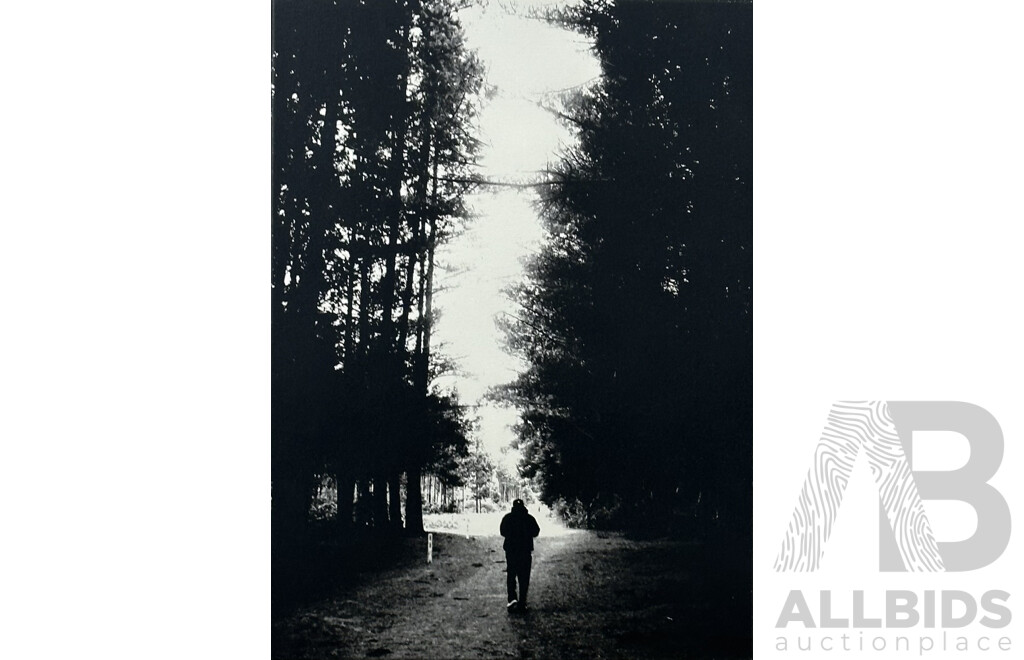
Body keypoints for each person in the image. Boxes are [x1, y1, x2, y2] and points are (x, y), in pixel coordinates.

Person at [500, 498, 540, 611]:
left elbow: (502, 532)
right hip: (525, 551)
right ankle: (522, 602)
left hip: (511, 551)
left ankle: (512, 599)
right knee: (524, 577)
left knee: (511, 575)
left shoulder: (507, 518)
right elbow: (536, 532)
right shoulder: (529, 518)